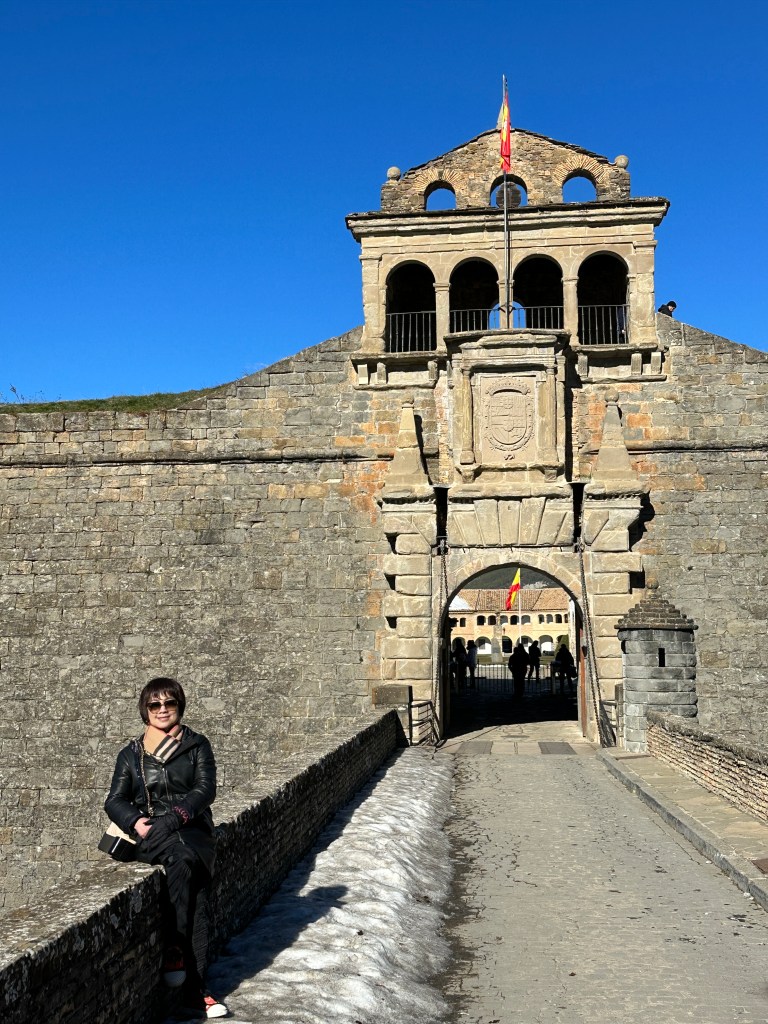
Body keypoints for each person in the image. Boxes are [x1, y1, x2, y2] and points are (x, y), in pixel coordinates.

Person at [104, 678, 228, 1019]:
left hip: (191, 830)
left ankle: (176, 949)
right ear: (145, 710)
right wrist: (136, 822)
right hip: (152, 833)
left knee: (187, 866)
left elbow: (205, 790)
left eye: (169, 703)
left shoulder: (197, 745)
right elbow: (114, 800)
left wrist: (176, 817)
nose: (162, 710)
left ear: (179, 706)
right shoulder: (131, 755)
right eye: (154, 705)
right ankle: (196, 992)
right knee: (187, 873)